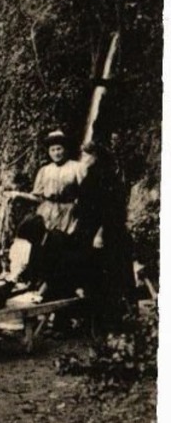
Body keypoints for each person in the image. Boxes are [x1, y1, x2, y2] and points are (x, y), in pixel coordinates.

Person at [14, 129, 91, 298]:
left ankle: (58, 287)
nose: (56, 153)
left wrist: (78, 207)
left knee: (61, 246)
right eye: (53, 150)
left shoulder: (76, 168)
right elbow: (37, 195)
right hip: (47, 211)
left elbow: (86, 193)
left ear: (66, 149)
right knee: (41, 246)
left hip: (67, 212)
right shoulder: (44, 170)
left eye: (59, 148)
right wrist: (19, 196)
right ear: (49, 152)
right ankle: (35, 283)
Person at [76, 141, 137, 332]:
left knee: (110, 277)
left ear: (95, 157)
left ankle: (114, 322)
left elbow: (112, 211)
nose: (82, 159)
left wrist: (100, 234)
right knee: (96, 277)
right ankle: (97, 321)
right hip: (92, 231)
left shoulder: (106, 177)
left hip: (107, 235)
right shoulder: (92, 175)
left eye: (85, 155)